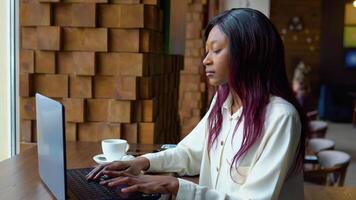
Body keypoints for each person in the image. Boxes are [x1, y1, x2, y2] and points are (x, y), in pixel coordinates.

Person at [86, 8, 309, 199]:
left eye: (217, 50)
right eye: (206, 51)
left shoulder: (281, 117)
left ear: (249, 53)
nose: (206, 60)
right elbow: (191, 153)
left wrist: (173, 185)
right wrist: (142, 162)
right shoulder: (223, 101)